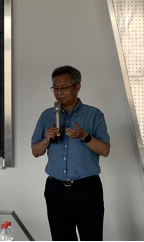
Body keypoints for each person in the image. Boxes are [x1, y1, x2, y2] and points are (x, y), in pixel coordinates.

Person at [32, 66, 111, 242]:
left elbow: (105, 150)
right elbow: (35, 151)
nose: (59, 93)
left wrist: (84, 136)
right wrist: (46, 140)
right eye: (55, 88)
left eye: (64, 87)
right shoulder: (47, 115)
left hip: (87, 189)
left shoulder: (94, 114)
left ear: (77, 87)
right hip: (56, 190)